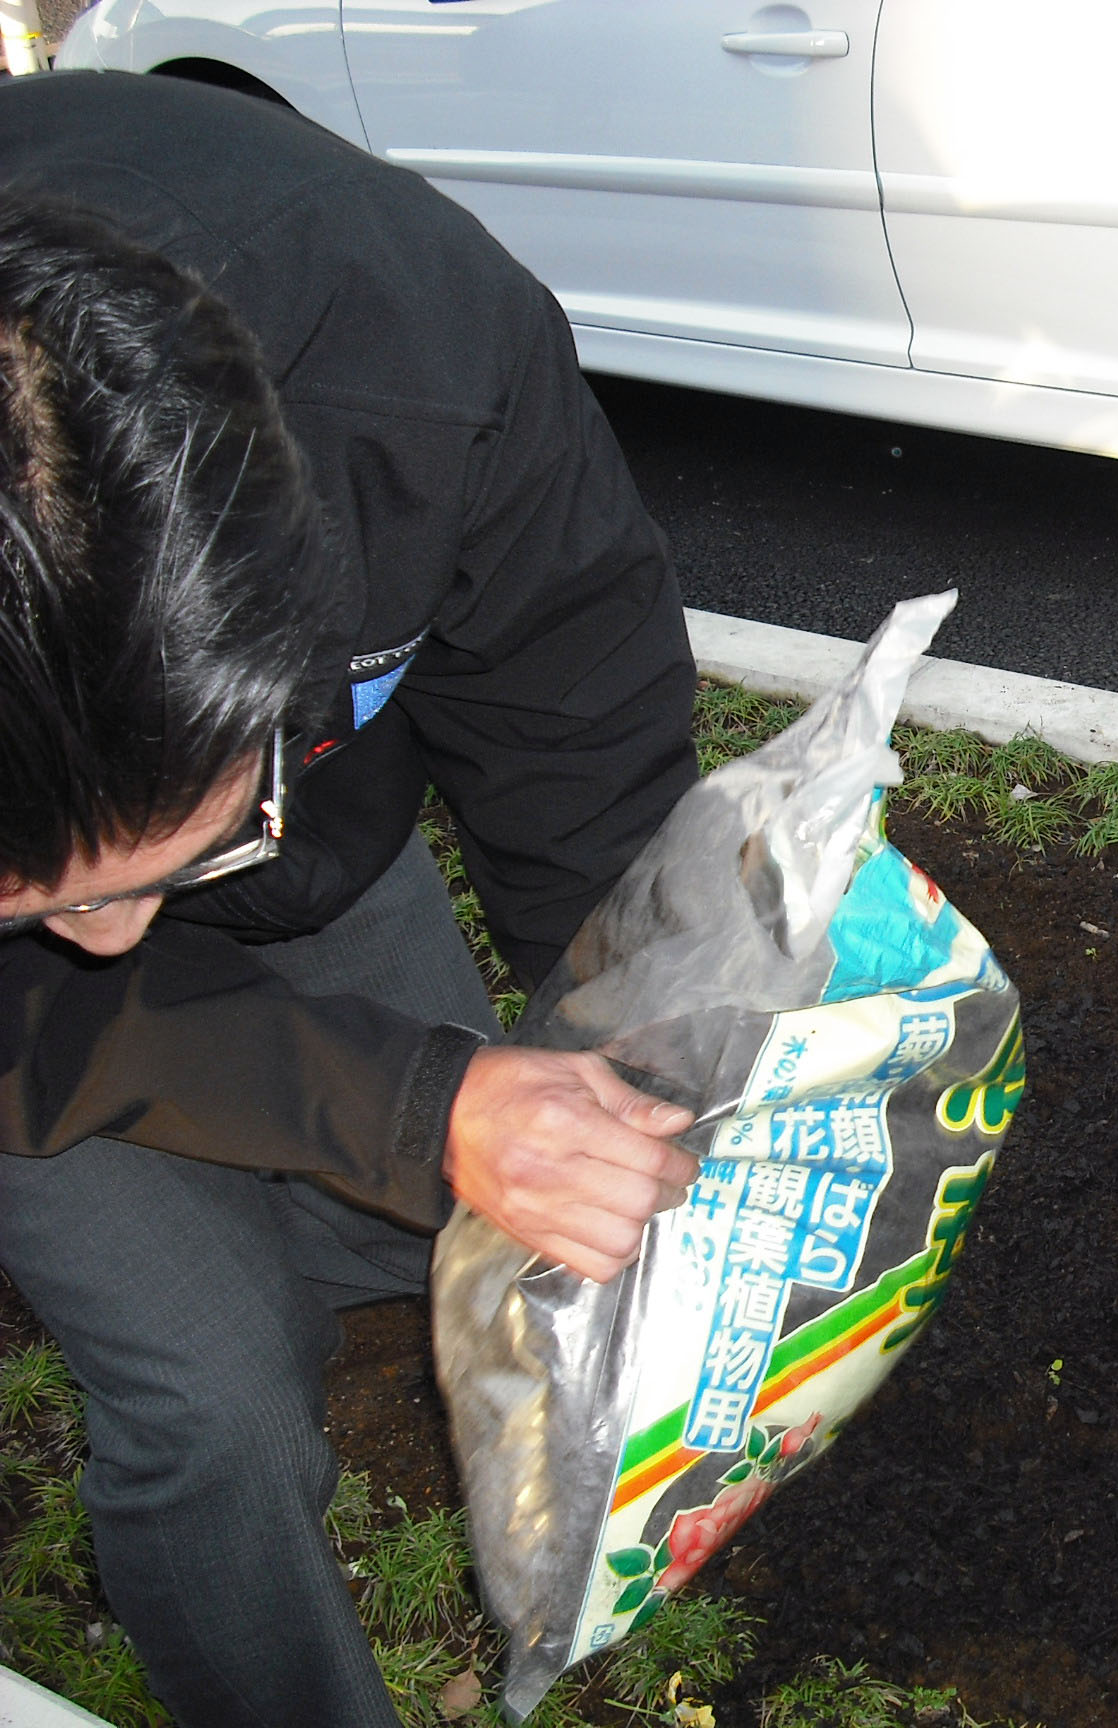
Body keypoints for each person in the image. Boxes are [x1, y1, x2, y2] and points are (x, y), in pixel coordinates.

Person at [0, 72, 707, 1725]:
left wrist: (654, 1024)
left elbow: (573, 731)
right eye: (35, 890)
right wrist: (413, 1094)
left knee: (465, 1205)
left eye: (181, 853)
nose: (115, 941)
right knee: (216, 1389)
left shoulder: (424, 358)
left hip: (332, 832)